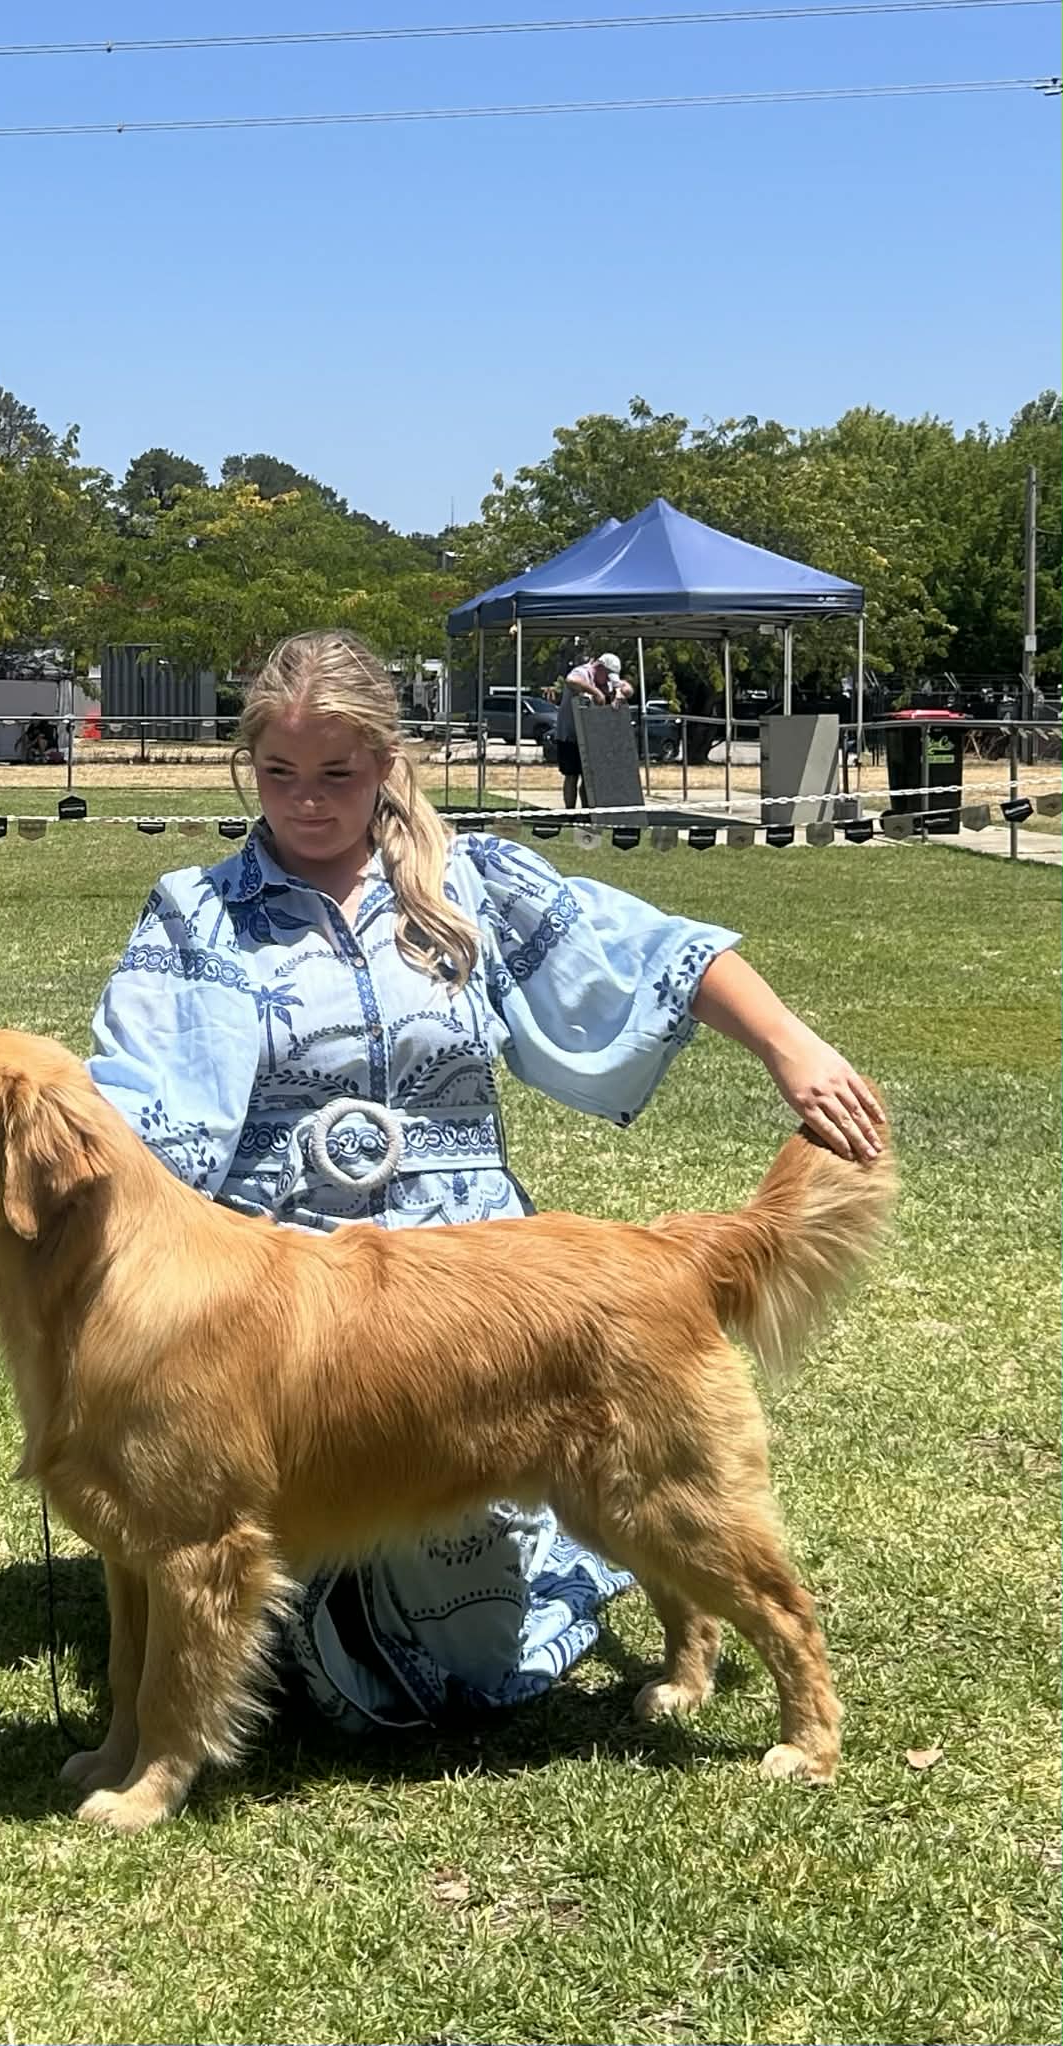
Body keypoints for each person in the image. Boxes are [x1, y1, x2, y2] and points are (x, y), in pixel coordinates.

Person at [86, 628, 883, 1737]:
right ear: (247, 767)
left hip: (481, 1318)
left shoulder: (474, 888)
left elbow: (655, 948)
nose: (305, 803)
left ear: (388, 767)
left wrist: (794, 1048)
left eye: (337, 776)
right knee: (318, 1666)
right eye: (278, 775)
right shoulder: (195, 914)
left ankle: (676, 1618)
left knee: (470, 1656)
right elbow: (130, 1106)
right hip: (282, 1324)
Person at [554, 650, 632, 810]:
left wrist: (618, 692)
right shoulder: (582, 672)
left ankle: (587, 812)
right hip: (569, 735)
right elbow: (571, 680)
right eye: (608, 676)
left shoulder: (605, 680)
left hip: (590, 737)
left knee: (588, 777)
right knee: (571, 775)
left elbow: (629, 689)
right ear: (600, 667)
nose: (607, 682)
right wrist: (595, 692)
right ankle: (569, 813)